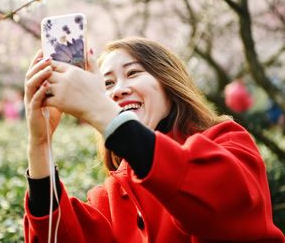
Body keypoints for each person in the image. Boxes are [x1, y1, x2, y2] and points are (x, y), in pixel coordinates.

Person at [23, 37, 284, 242]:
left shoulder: (227, 141)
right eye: (107, 83)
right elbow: (60, 235)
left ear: (168, 85)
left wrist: (101, 111)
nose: (117, 91)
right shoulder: (112, 196)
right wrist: (40, 143)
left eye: (133, 73)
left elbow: (219, 203)